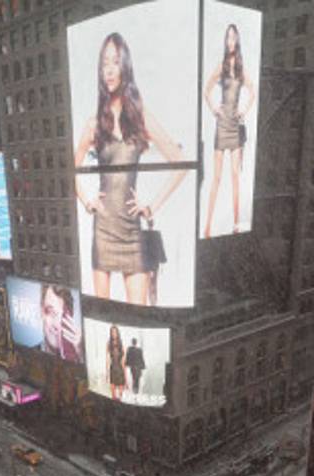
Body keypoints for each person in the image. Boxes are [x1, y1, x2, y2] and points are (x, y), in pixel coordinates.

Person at [74, 32, 189, 306]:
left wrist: (151, 206)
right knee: (104, 315)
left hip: (131, 233)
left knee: (137, 314)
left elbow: (180, 162)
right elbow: (70, 170)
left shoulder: (140, 118)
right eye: (104, 63)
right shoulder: (93, 124)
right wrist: (87, 201)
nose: (109, 70)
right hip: (103, 231)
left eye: (115, 62)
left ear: (125, 66)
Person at [203, 23, 256, 237]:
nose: (230, 41)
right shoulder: (222, 66)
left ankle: (235, 224)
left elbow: (253, 92)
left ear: (238, 41)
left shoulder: (241, 68)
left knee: (235, 175)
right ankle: (207, 225)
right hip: (221, 124)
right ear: (225, 41)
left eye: (233, 38)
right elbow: (206, 90)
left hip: (235, 126)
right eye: (228, 38)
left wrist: (244, 110)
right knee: (216, 178)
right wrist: (214, 107)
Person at [38, 284, 83, 362]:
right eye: (51, 312)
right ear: (42, 312)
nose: (57, 324)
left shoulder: (79, 356)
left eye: (63, 316)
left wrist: (80, 355)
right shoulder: (25, 355)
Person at [106, 325, 127, 401]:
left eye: (115, 332)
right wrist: (107, 373)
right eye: (112, 332)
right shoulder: (108, 343)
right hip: (113, 369)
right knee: (113, 396)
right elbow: (107, 359)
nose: (114, 333)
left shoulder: (121, 344)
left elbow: (123, 362)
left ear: (118, 333)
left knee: (121, 397)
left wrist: (126, 378)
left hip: (120, 370)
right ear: (110, 333)